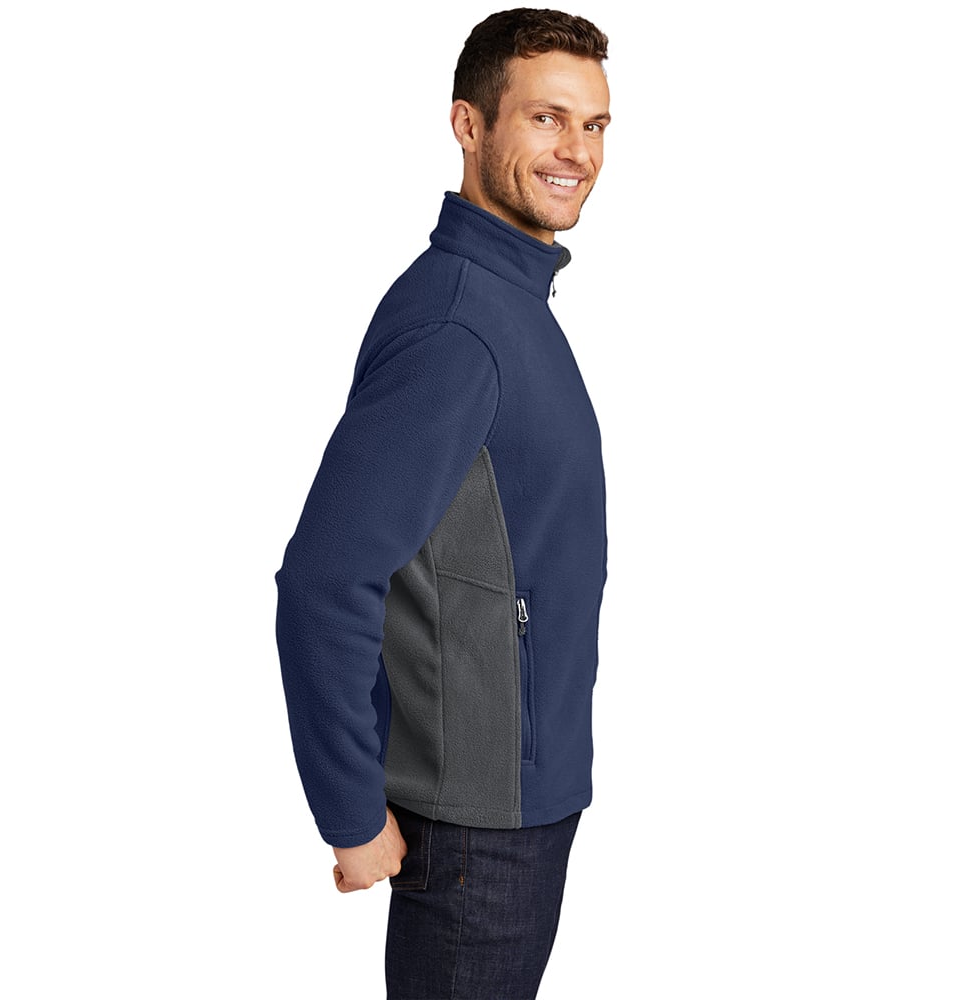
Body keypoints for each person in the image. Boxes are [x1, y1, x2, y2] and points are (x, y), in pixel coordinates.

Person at [275, 8, 611, 997]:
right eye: (546, 118)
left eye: (594, 124)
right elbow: (326, 578)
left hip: (516, 807)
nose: (577, 150)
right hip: (475, 832)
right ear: (468, 124)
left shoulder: (507, 304)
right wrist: (350, 811)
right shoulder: (459, 327)